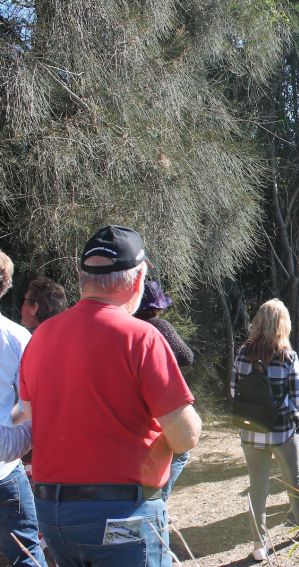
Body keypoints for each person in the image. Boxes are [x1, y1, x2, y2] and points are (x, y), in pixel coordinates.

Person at [19, 225, 201, 567]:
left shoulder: (41, 336)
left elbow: (30, 421)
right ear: (138, 280)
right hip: (120, 518)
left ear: (82, 278)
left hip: (53, 517)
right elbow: (186, 436)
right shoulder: (141, 338)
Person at [232, 299, 299, 561]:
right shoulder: (287, 356)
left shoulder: (242, 352)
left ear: (258, 321)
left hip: (250, 430)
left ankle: (258, 544)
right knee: (294, 480)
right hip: (282, 430)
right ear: (284, 324)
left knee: (257, 487)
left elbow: (234, 391)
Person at [0, 250, 47, 567]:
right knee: (26, 553)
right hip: (4, 467)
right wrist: (14, 430)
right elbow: (33, 402)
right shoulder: (16, 337)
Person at [135, 280, 194, 502]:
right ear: (156, 306)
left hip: (135, 406)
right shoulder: (159, 327)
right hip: (162, 402)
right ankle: (159, 499)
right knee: (179, 452)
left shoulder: (124, 326)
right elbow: (187, 356)